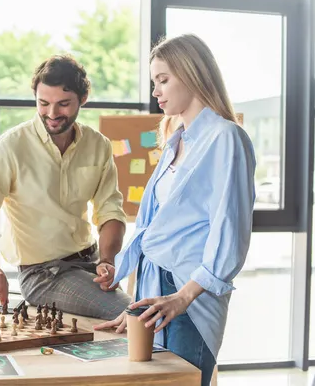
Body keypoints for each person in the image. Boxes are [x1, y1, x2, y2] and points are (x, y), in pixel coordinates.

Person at [94, 34, 256, 386]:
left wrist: (182, 298)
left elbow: (228, 231)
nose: (156, 91)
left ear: (193, 74)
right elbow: (157, 227)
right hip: (156, 286)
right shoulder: (173, 142)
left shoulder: (226, 138)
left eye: (163, 80)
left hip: (189, 293)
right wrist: (137, 306)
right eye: (154, 82)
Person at [0, 54, 131, 319]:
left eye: (63, 104)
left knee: (148, 307)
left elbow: (111, 212)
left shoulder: (98, 145)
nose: (52, 114)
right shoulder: (11, 146)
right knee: (131, 313)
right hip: (43, 275)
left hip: (91, 262)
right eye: (43, 103)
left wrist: (107, 261)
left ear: (82, 99)